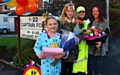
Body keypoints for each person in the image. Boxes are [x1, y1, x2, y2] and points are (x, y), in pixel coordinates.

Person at [88, 6, 110, 75]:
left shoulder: (104, 22)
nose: (95, 13)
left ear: (99, 12)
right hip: (91, 45)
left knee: (98, 61)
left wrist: (101, 42)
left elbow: (106, 33)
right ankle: (91, 72)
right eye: (93, 11)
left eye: (96, 11)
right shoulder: (89, 22)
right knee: (90, 61)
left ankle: (97, 73)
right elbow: (86, 32)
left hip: (100, 45)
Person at [59, 3, 78, 75]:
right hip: (65, 50)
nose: (70, 13)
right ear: (65, 12)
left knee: (71, 69)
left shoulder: (76, 22)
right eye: (68, 11)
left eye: (72, 11)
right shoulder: (61, 22)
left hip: (73, 50)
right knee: (63, 69)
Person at [72, 6, 89, 75]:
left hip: (85, 46)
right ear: (77, 13)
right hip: (78, 46)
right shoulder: (75, 22)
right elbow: (74, 33)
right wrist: (83, 31)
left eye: (83, 12)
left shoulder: (85, 22)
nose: (82, 13)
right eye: (80, 12)